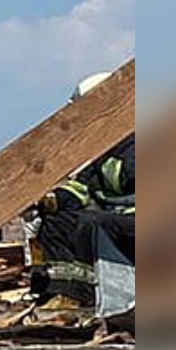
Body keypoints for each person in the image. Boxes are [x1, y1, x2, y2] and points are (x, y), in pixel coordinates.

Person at [33, 71, 135, 308]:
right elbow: (81, 188)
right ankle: (59, 293)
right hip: (115, 219)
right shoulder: (101, 147)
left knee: (93, 224)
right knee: (57, 221)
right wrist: (52, 201)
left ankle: (90, 296)